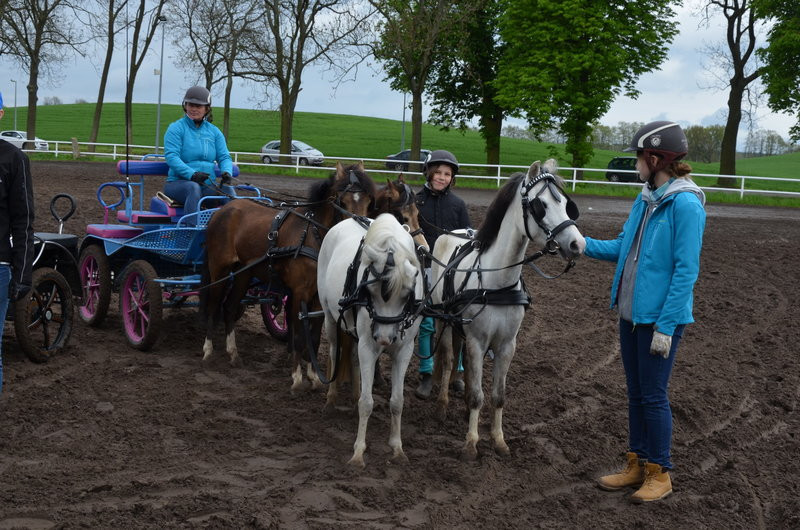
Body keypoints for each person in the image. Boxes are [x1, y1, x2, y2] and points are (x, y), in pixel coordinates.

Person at [585, 121, 706, 503]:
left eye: (639, 156)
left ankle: (660, 472)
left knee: (653, 395)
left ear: (656, 158)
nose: (636, 163)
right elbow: (623, 247)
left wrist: (666, 327)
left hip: (660, 321)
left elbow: (686, 270)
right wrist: (578, 243)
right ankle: (636, 463)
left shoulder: (685, 204)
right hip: (630, 315)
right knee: (636, 393)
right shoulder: (645, 197)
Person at [413, 149, 471, 399]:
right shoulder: (416, 202)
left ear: (452, 178)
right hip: (425, 267)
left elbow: (467, 237)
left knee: (456, 322)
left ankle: (456, 371)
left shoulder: (458, 205)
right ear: (428, 173)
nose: (442, 177)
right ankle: (426, 373)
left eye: (447, 174)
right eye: (438, 173)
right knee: (427, 322)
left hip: (452, 272)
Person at [0, 91, 35, 396]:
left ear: (0, 113)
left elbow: (23, 220)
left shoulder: (14, 160)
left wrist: (22, 273)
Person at [163, 86, 234, 221]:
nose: (194, 109)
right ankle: (191, 229)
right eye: (191, 105)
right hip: (178, 184)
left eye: (199, 106)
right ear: (185, 106)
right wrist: (192, 174)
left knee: (228, 191)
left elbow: (224, 157)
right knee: (193, 188)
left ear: (206, 108)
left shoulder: (214, 132)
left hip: (207, 185)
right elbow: (172, 157)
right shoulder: (176, 128)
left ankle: (233, 235)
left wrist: (226, 172)